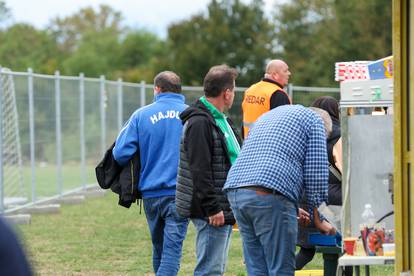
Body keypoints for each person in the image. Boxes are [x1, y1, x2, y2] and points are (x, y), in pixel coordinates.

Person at [224, 105, 335, 275]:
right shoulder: (315, 123)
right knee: (281, 269)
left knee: (257, 267)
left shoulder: (270, 116)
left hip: (237, 190)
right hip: (267, 193)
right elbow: (316, 173)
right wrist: (318, 218)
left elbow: (266, 161)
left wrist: (290, 206)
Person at [112, 71, 189, 276]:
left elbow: (120, 153)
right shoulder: (192, 114)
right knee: (171, 251)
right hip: (180, 193)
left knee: (160, 249)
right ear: (179, 89)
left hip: (151, 194)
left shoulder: (141, 115)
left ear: (157, 89)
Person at [175, 64, 242, 275]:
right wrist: (213, 208)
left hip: (225, 205)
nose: (234, 95)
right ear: (227, 93)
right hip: (211, 210)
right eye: (234, 90)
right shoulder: (199, 123)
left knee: (217, 268)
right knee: (210, 270)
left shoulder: (222, 121)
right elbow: (200, 170)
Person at [296, 96, 345, 270]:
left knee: (306, 251)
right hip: (334, 200)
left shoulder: (303, 133)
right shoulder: (341, 135)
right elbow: (344, 169)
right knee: (343, 250)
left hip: (305, 199)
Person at [241, 59, 292, 138]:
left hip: (247, 144)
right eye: (285, 71)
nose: (289, 73)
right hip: (266, 145)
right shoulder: (278, 94)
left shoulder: (250, 90)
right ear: (275, 75)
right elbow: (283, 128)